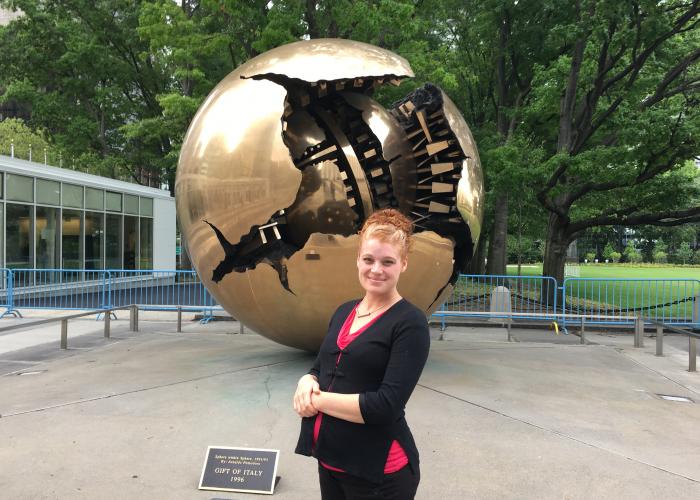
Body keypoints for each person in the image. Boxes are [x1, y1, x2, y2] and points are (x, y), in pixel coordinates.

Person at [293, 208, 430, 499]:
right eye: (368, 259)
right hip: (331, 461)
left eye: (388, 261)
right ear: (357, 259)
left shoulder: (410, 323)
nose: (376, 269)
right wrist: (306, 381)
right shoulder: (344, 311)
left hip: (379, 474)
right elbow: (320, 367)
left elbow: (385, 405)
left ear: (404, 264)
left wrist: (316, 401)